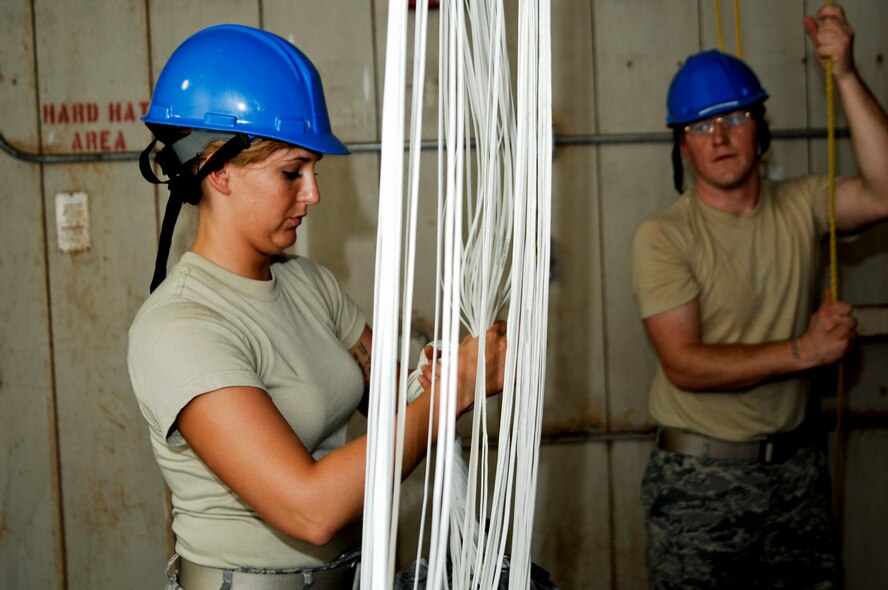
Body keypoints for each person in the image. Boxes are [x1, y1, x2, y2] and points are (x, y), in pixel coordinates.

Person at [127, 24, 508, 590]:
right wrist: (455, 389)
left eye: (313, 171)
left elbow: (395, 401)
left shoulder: (309, 284)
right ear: (217, 169)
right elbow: (311, 510)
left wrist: (442, 372)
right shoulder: (179, 328)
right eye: (291, 172)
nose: (313, 194)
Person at [629, 4, 888, 589]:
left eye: (735, 116)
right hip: (699, 478)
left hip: (796, 471)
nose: (718, 136)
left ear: (761, 127)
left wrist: (844, 74)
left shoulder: (801, 203)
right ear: (682, 147)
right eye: (699, 126)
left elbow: (884, 190)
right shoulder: (663, 236)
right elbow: (684, 364)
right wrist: (804, 352)